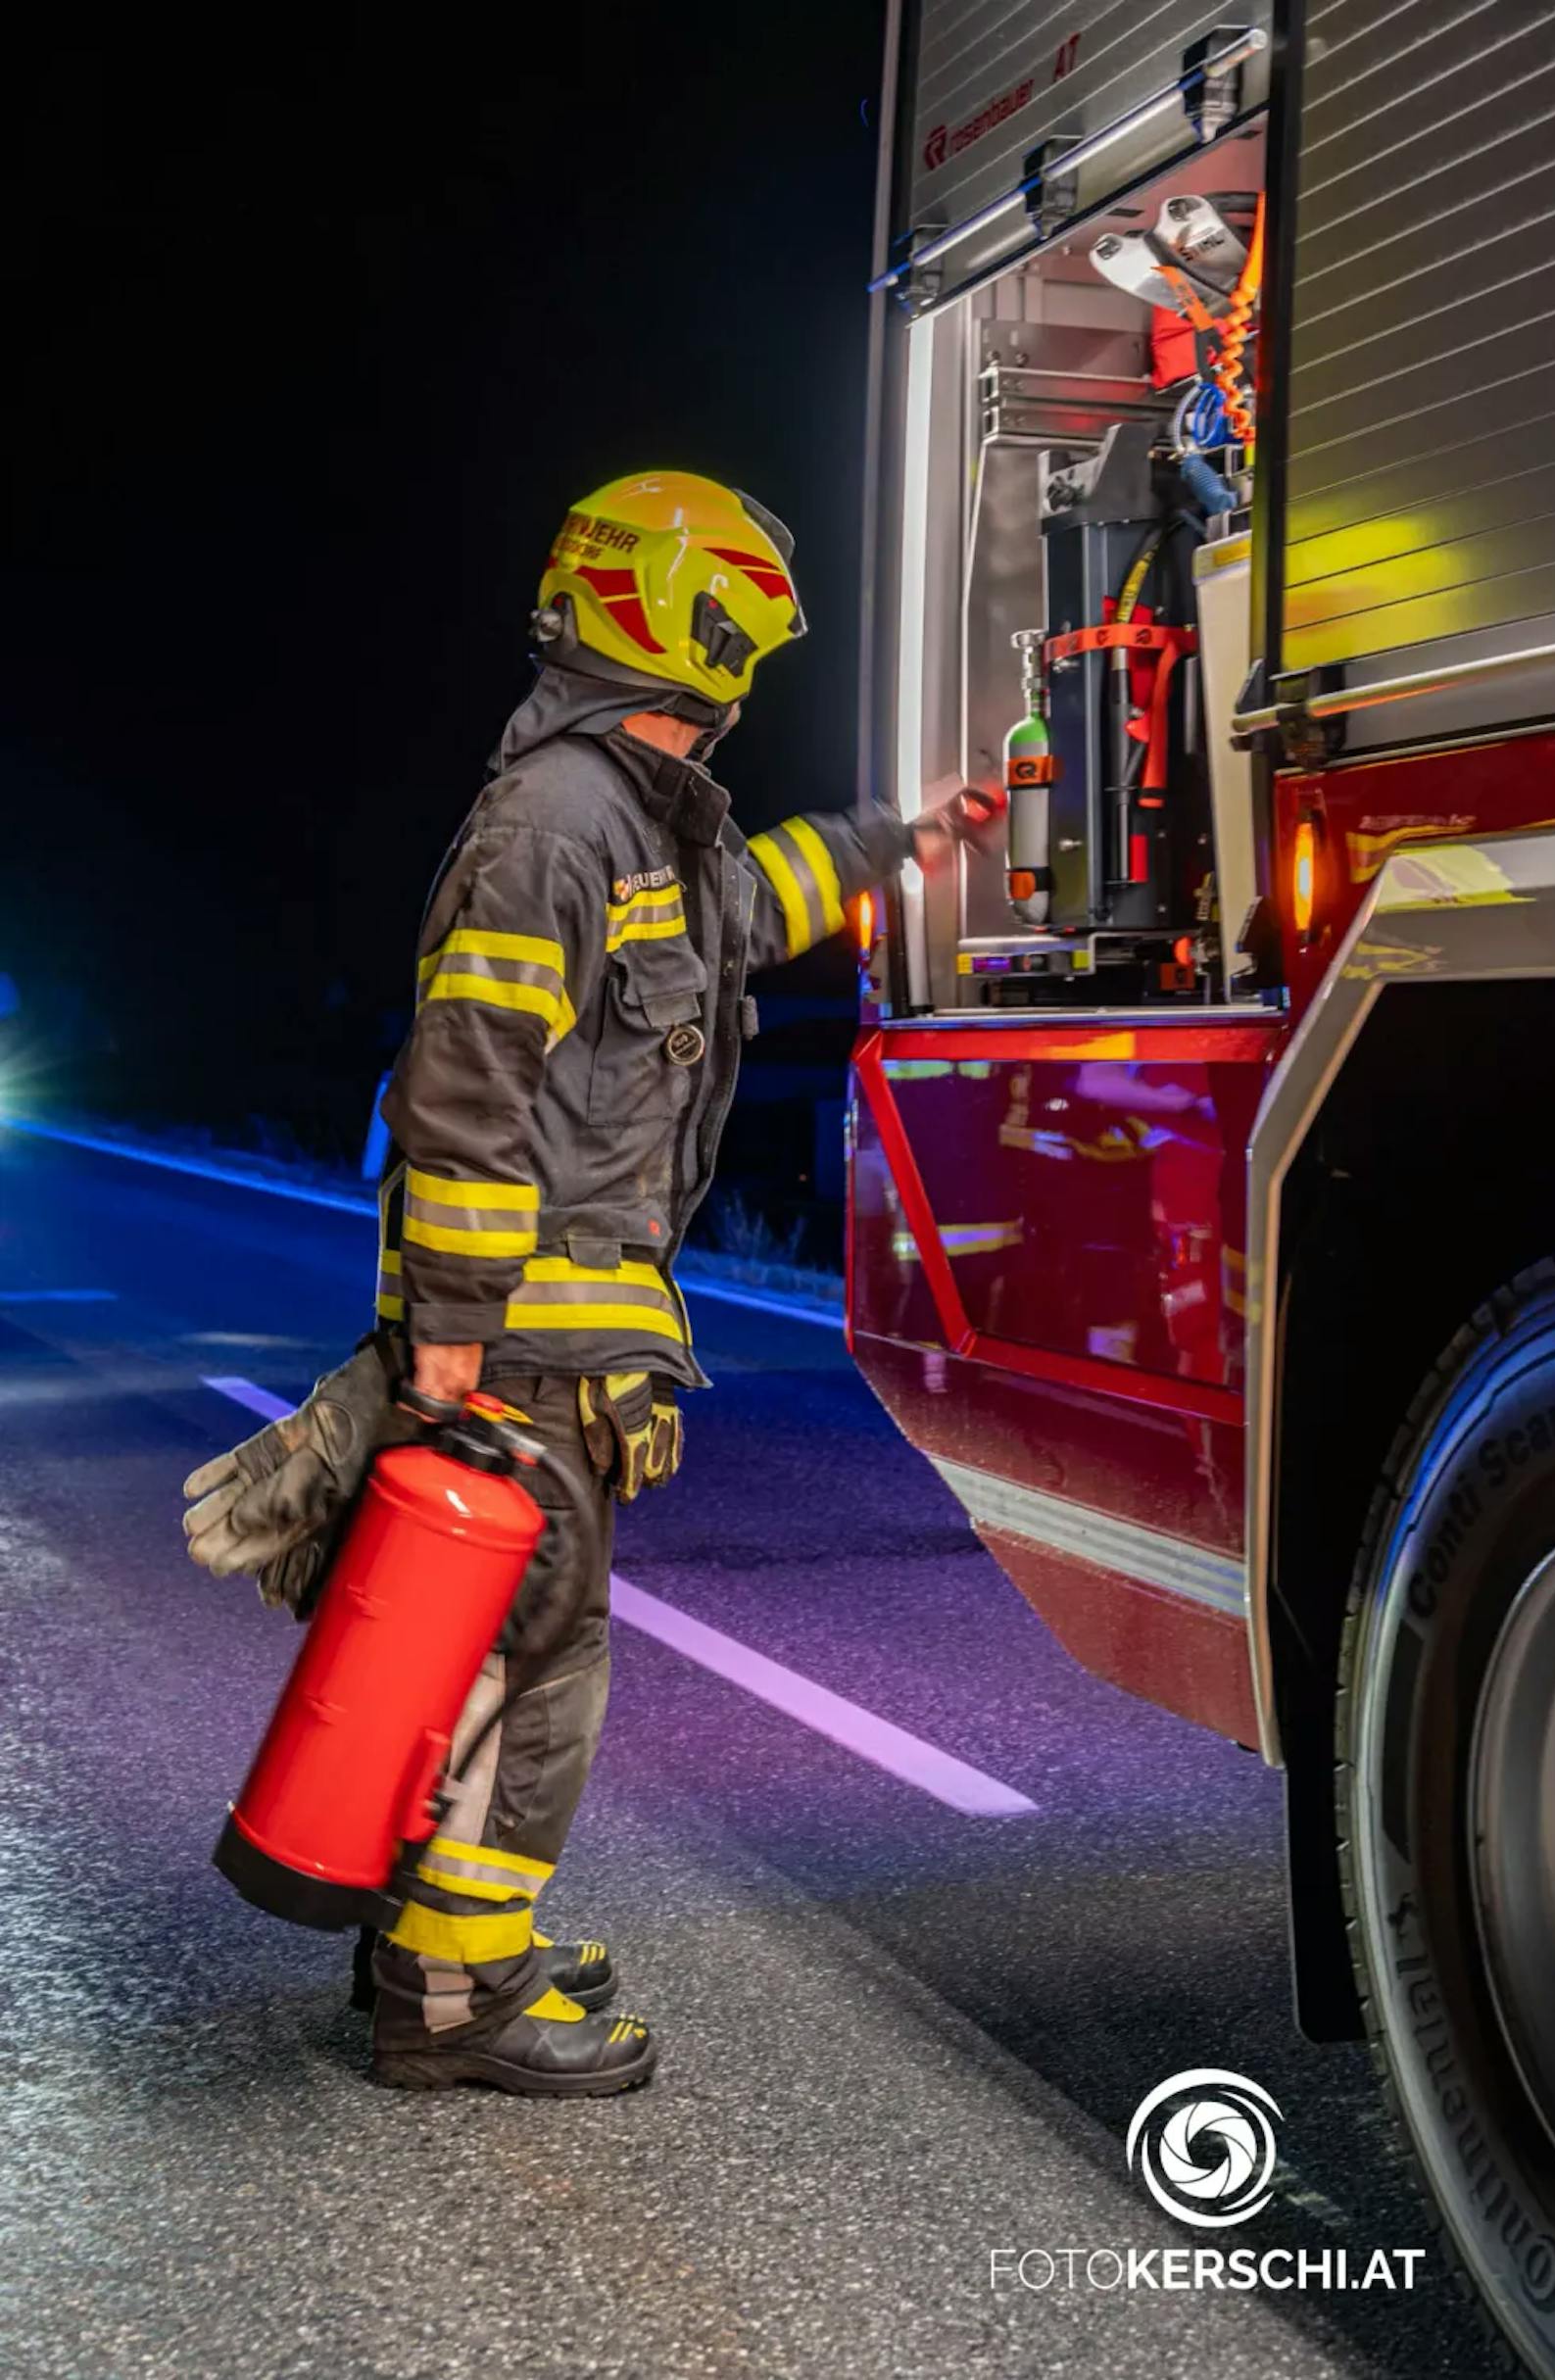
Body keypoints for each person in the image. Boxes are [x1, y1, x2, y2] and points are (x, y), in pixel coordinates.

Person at [187, 469, 997, 2098]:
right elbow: (468, 1081)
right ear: (703, 631)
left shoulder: (641, 819)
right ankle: (448, 1997)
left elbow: (753, 902)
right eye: (743, 630)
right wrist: (450, 1345)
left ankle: (434, 1940)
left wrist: (904, 841)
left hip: (567, 1324)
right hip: (525, 1336)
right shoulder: (561, 820)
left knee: (495, 1642)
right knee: (533, 1657)